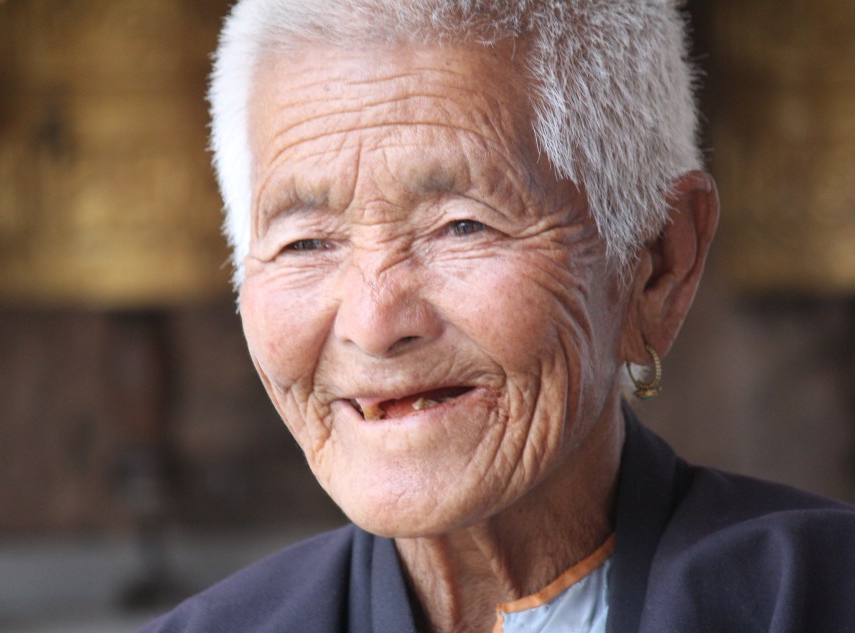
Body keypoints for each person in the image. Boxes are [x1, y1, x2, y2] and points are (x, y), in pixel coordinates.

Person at [140, 1, 855, 631]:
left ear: (657, 263)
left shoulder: (819, 596)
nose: (373, 321)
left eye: (462, 226)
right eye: (306, 242)